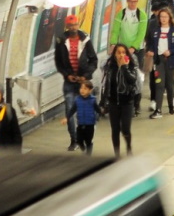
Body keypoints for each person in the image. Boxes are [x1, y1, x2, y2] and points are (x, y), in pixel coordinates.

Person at [53, 13, 98, 151]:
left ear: (78, 25)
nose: (73, 28)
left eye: (75, 25)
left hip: (83, 82)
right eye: (70, 25)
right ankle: (74, 140)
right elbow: (58, 61)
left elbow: (93, 60)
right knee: (70, 110)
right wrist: (67, 75)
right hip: (69, 81)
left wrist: (86, 75)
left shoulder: (85, 40)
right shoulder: (61, 40)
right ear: (67, 26)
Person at [100, 44, 140, 157]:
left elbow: (132, 80)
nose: (121, 55)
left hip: (127, 102)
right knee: (115, 129)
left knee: (125, 129)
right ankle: (116, 153)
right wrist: (104, 101)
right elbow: (107, 85)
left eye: (124, 52)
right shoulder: (110, 67)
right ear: (115, 54)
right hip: (113, 102)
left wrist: (124, 67)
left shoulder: (131, 66)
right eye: (119, 52)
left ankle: (128, 147)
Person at [146, 7, 174, 117]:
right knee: (159, 84)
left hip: (171, 60)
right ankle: (158, 110)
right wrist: (151, 51)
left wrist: (171, 51)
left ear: (169, 18)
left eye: (165, 17)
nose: (163, 19)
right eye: (161, 17)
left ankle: (171, 106)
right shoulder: (156, 31)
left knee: (169, 84)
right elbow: (153, 44)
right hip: (159, 61)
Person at [63, 81, 98, 155]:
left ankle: (88, 154)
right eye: (81, 88)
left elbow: (98, 109)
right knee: (79, 140)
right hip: (80, 124)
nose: (82, 90)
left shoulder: (93, 100)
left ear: (90, 90)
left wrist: (99, 115)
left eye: (85, 88)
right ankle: (84, 149)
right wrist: (67, 118)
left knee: (88, 141)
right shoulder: (77, 100)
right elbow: (72, 110)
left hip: (90, 124)